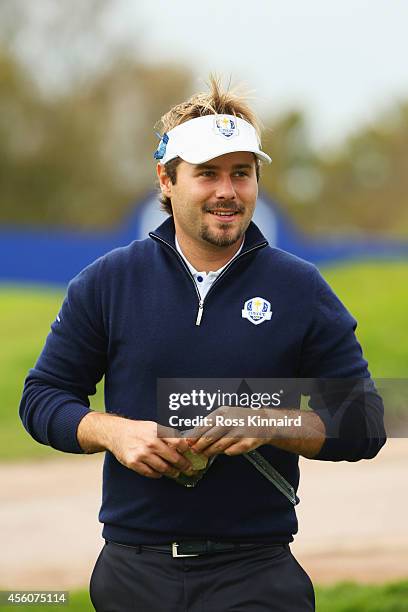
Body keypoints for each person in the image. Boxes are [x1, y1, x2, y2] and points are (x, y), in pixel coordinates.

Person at [20, 76, 386, 612]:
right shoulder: (108, 281)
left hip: (257, 572)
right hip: (133, 570)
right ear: (166, 180)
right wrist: (113, 432)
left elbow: (366, 423)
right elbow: (42, 397)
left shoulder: (300, 288)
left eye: (242, 174)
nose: (227, 192)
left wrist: (269, 422)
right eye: (207, 174)